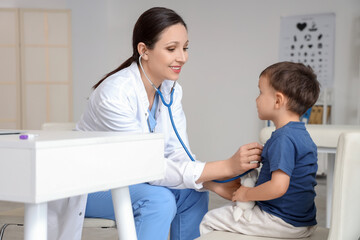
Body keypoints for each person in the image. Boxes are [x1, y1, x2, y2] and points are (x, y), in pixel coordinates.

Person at [47, 7, 264, 240]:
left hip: (127, 178)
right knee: (158, 200)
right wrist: (225, 168)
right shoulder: (115, 94)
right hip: (87, 184)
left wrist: (210, 183)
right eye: (172, 49)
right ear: (144, 50)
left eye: (185, 47)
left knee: (193, 195)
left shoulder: (171, 91)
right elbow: (144, 166)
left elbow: (177, 152)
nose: (182, 57)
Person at [200, 62, 320, 238]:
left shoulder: (283, 138)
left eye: (260, 92)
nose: (257, 99)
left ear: (278, 100)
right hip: (303, 221)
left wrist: (247, 193)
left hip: (281, 221)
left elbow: (278, 187)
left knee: (211, 219)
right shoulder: (301, 135)